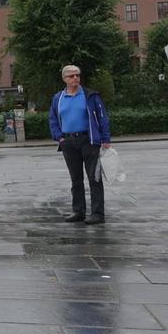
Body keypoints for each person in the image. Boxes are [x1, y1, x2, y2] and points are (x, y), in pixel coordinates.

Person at [48, 64, 111, 224]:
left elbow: (102, 117)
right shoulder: (58, 98)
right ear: (64, 79)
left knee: (94, 178)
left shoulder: (90, 96)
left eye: (77, 75)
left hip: (89, 141)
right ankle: (78, 211)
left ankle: (97, 213)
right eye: (71, 76)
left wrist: (105, 139)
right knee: (76, 179)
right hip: (68, 142)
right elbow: (53, 119)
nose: (75, 78)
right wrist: (59, 137)